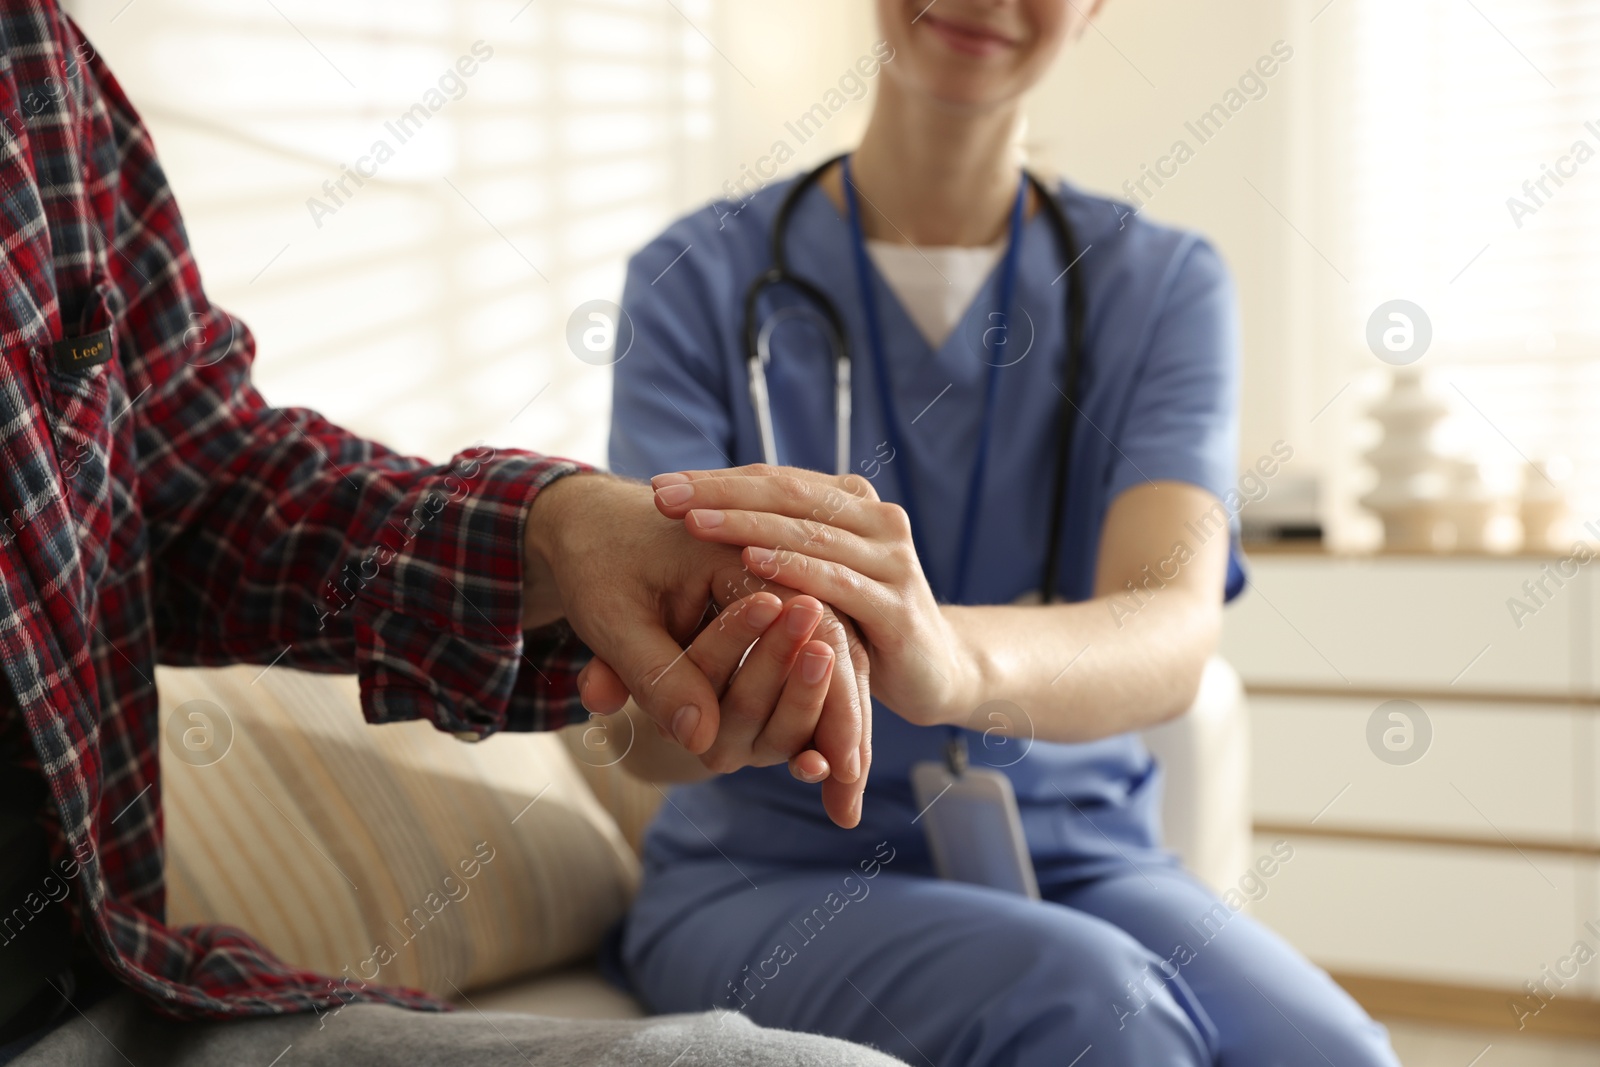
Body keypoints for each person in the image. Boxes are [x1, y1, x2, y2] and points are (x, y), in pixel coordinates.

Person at [0, 3, 898, 1064]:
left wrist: (560, 528)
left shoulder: (32, 59)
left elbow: (198, 487)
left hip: (99, 996)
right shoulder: (698, 271)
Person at [607, 1, 1402, 1064]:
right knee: (1094, 1009)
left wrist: (949, 659)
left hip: (1083, 858)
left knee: (1335, 1055)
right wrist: (703, 700)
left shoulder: (1162, 286)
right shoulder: (692, 279)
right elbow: (642, 720)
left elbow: (1168, 628)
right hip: (778, 875)